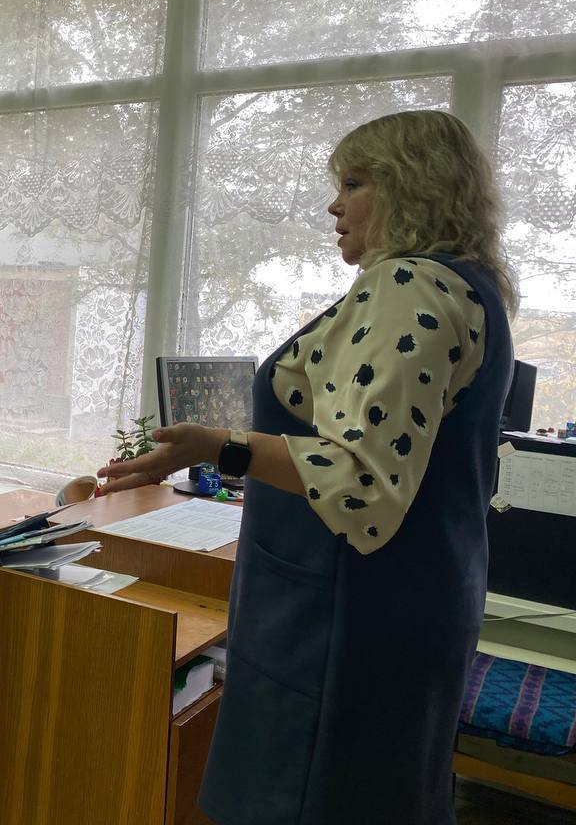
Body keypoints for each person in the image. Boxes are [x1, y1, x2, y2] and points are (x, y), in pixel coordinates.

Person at [101, 110, 516, 825]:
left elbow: (360, 478)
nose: (334, 205)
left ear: (412, 188)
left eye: (354, 184)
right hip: (415, 595)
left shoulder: (409, 286)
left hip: (342, 612)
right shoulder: (471, 287)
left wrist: (216, 446)